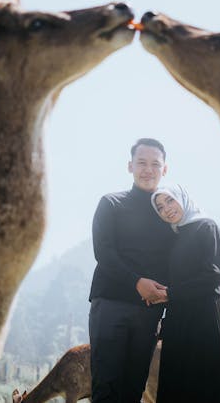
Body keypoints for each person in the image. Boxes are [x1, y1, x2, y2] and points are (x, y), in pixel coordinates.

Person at [88, 138, 176, 403]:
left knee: (133, 390)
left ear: (164, 169)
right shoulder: (111, 203)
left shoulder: (168, 213)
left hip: (148, 313)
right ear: (130, 166)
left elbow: (176, 261)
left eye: (155, 164)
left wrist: (167, 296)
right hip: (110, 306)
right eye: (141, 163)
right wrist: (137, 282)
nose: (148, 169)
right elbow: (103, 253)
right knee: (106, 387)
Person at [150, 184, 220, 403]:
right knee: (176, 386)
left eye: (170, 200)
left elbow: (213, 275)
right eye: (160, 207)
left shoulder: (207, 226)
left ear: (182, 198)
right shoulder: (174, 237)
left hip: (205, 320)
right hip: (178, 320)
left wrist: (170, 294)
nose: (166, 209)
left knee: (206, 386)